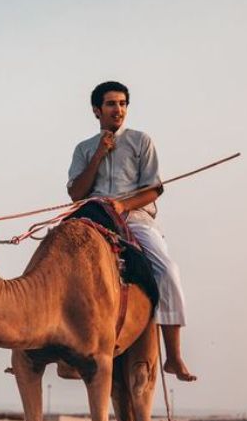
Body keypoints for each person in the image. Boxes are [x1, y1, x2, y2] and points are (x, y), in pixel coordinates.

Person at [68, 80, 196, 381]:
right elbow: (77, 193)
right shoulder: (84, 149)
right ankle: (44, 352)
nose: (119, 110)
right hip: (93, 216)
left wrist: (124, 207)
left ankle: (174, 356)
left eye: (123, 103)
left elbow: (154, 190)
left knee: (168, 272)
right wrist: (99, 154)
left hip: (135, 218)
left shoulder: (141, 142)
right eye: (111, 104)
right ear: (97, 110)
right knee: (52, 262)